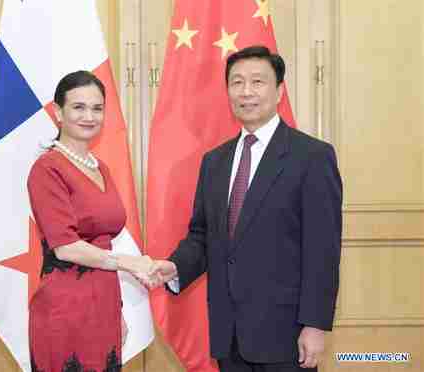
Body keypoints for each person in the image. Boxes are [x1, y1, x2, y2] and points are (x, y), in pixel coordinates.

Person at [147, 45, 342, 372]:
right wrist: (176, 267)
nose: (246, 92)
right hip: (228, 333)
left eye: (257, 82)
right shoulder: (215, 161)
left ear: (279, 90)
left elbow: (323, 250)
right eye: (237, 82)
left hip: (286, 334)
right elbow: (203, 234)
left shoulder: (311, 156)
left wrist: (315, 324)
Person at [27, 70, 152, 372]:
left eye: (97, 108)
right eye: (78, 107)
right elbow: (66, 247)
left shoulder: (101, 168)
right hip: (65, 309)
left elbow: (102, 239)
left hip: (105, 306)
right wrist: (130, 262)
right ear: (58, 112)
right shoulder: (47, 169)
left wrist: (116, 311)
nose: (89, 116)